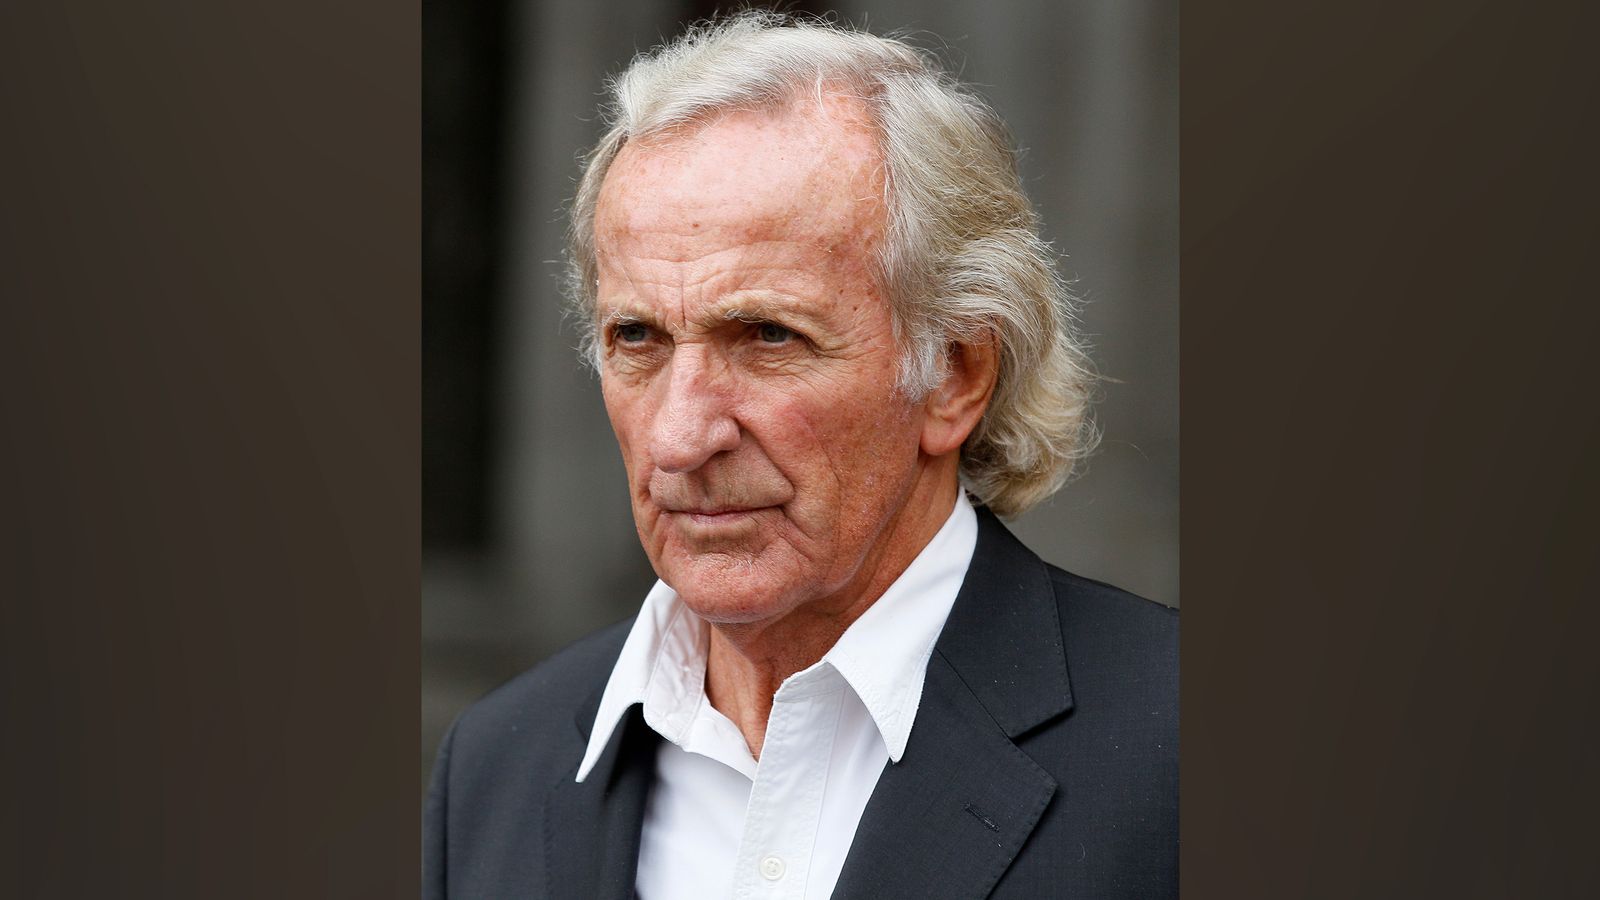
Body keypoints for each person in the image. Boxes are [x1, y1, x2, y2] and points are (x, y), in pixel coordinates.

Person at [425, 13, 1176, 899]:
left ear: (956, 375)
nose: (678, 437)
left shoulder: (1176, 746)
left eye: (769, 336)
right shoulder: (497, 769)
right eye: (637, 337)